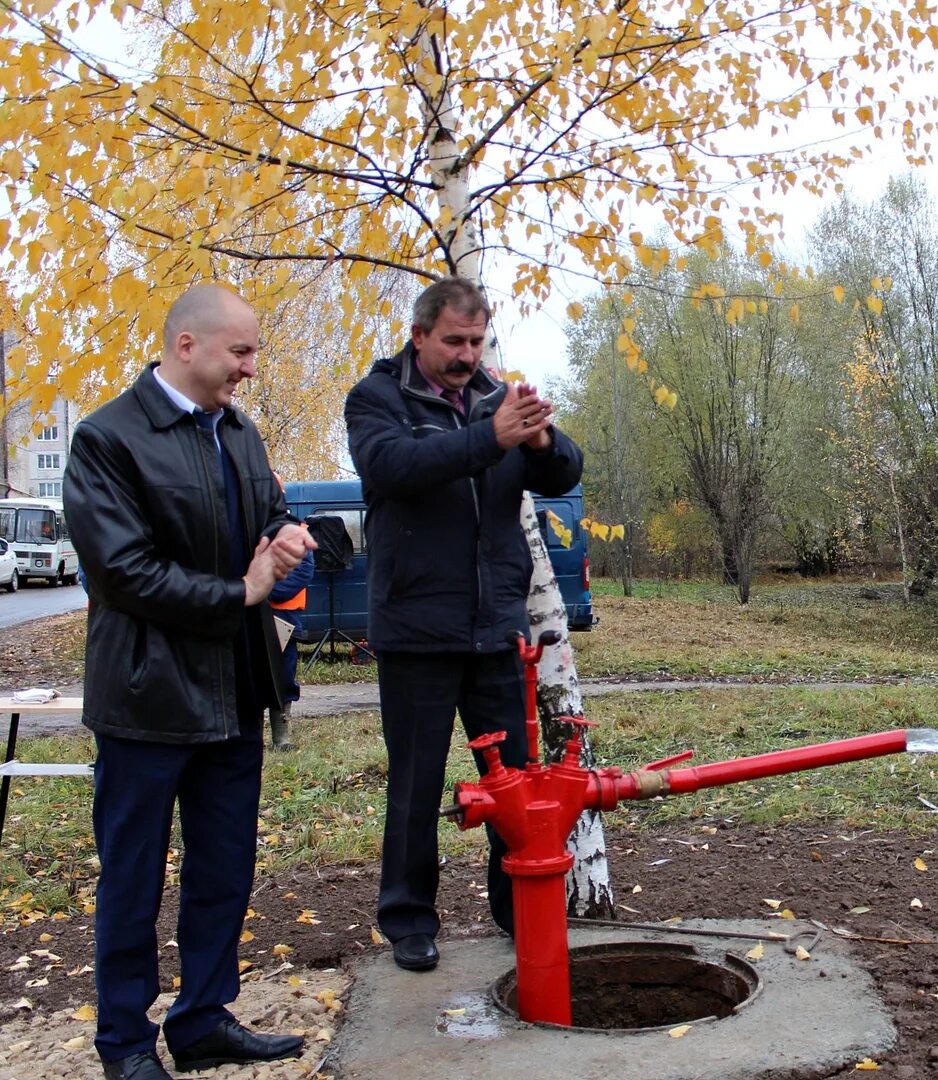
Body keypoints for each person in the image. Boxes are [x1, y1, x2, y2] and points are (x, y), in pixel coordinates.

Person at [63, 283, 317, 1080]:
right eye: (240, 352)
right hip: (146, 699)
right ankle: (126, 1045)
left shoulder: (238, 434)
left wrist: (285, 539)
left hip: (235, 694)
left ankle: (202, 1019)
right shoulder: (107, 438)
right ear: (186, 346)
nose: (249, 368)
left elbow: (267, 512)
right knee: (133, 882)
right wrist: (239, 592)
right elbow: (122, 573)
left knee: (223, 871)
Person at [345, 277, 583, 972]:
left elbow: (565, 473)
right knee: (416, 787)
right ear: (419, 335)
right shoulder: (376, 399)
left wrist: (540, 440)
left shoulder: (495, 395)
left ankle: (520, 908)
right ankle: (410, 922)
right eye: (454, 341)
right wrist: (492, 437)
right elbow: (393, 467)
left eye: (477, 342)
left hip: (494, 626)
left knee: (513, 786)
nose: (467, 355)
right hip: (416, 627)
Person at [268, 473, 315, 750]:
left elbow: (304, 570)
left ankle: (280, 735)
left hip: (283, 616)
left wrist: (266, 590)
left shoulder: (296, 531)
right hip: (248, 613)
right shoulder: (243, 528)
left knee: (283, 675)